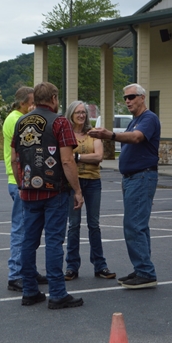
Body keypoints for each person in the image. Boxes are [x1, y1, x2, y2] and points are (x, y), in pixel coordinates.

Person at [11, 82, 84, 309]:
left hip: (28, 190)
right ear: (53, 98)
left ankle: (30, 291)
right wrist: (78, 190)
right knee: (54, 241)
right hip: (55, 190)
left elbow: (15, 158)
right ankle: (57, 293)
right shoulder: (59, 122)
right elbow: (66, 159)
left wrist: (22, 183)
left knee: (28, 241)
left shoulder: (21, 122)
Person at [88, 83, 161, 289]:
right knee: (138, 225)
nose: (127, 101)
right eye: (125, 98)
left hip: (141, 177)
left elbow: (137, 138)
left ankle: (146, 272)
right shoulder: (136, 120)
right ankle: (142, 269)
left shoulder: (148, 118)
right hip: (132, 178)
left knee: (134, 225)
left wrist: (110, 135)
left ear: (142, 98)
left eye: (131, 97)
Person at [63, 101, 116, 281]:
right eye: (77, 112)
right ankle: (71, 266)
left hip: (93, 182)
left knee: (94, 224)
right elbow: (65, 158)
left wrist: (77, 156)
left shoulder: (93, 133)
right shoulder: (66, 134)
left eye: (83, 112)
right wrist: (84, 158)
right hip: (73, 183)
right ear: (71, 114)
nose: (81, 115)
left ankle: (100, 265)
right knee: (74, 225)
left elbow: (99, 156)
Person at [2, 86, 48, 291]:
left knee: (31, 229)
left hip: (24, 179)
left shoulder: (18, 117)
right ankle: (15, 274)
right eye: (31, 103)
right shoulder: (15, 119)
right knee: (21, 229)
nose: (34, 107)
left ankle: (28, 269)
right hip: (18, 180)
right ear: (22, 103)